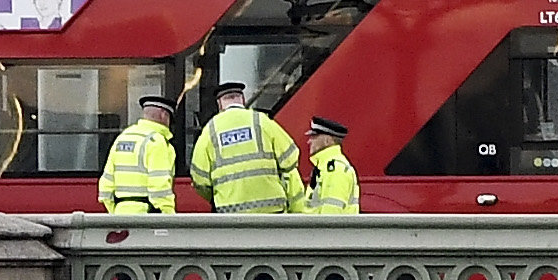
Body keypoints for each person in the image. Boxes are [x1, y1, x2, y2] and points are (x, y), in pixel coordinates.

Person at [186, 78, 302, 215]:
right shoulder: (261, 121)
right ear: (243, 99)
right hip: (271, 211)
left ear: (220, 104)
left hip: (230, 213)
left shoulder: (210, 130)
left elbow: (200, 180)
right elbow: (290, 158)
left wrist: (217, 195)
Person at [97, 93, 177, 215]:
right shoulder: (156, 141)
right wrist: (168, 215)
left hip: (120, 215)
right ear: (163, 115)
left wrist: (115, 211)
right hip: (147, 217)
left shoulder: (122, 138)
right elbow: (159, 186)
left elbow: (106, 184)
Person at [299, 115, 361, 215]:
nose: (309, 141)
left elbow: (331, 215)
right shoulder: (324, 167)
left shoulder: (335, 169)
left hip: (324, 230)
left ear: (327, 141)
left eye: (314, 137)